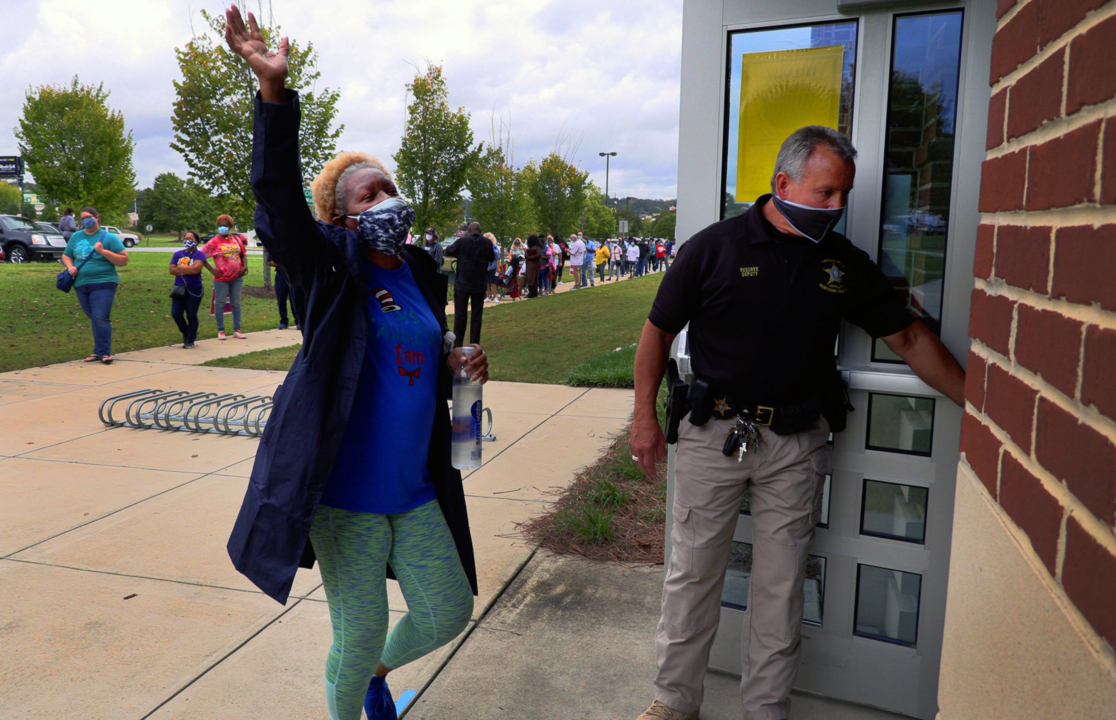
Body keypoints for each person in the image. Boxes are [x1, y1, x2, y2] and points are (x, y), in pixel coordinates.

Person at [628, 126, 966, 720]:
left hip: (796, 445)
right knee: (692, 579)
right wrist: (644, 419)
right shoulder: (714, 249)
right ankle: (674, 704)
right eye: (826, 193)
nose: (837, 208)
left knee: (781, 592)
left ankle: (765, 710)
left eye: (844, 195)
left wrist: (984, 404)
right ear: (783, 184)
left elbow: (910, 337)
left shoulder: (842, 264)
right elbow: (656, 332)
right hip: (714, 435)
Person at [222, 8, 485, 720]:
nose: (388, 201)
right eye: (370, 194)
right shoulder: (327, 271)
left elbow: (426, 359)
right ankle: (355, 700)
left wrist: (461, 366)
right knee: (359, 622)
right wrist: (274, 95)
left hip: (418, 485)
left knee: (446, 609)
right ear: (340, 218)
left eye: (389, 188)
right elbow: (276, 204)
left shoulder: (423, 271)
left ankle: (369, 675)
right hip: (346, 495)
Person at [61, 206, 128, 364]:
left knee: (100, 317)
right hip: (81, 284)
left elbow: (123, 260)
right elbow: (66, 255)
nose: (86, 220)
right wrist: (70, 267)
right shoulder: (76, 236)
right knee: (95, 318)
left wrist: (103, 251)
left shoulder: (108, 238)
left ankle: (105, 353)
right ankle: (98, 351)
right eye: (83, 218)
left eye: (89, 217)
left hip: (104, 282)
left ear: (97, 218)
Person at [445, 221, 496, 347]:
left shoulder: (462, 241)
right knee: (476, 316)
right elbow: (491, 258)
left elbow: (447, 251)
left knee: (460, 315)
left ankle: (458, 344)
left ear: (469, 230)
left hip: (463, 283)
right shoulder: (487, 242)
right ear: (480, 231)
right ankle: (474, 344)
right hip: (479, 284)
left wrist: (464, 238)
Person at [201, 214, 249, 340]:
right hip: (221, 279)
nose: (223, 228)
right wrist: (211, 269)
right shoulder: (214, 242)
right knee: (220, 303)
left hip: (237, 278)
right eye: (221, 225)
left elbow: (243, 254)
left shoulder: (236, 239)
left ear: (230, 227)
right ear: (218, 226)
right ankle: (221, 330)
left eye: (226, 226)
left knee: (236, 303)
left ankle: (237, 329)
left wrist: (244, 267)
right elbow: (201, 256)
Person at [170, 231, 206, 348]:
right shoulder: (177, 254)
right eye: (186, 238)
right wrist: (187, 269)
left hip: (194, 289)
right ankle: (186, 332)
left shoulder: (199, 255)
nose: (188, 240)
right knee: (176, 314)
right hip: (179, 288)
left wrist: (180, 267)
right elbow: (171, 270)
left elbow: (195, 270)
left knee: (191, 315)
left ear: (196, 241)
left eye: (191, 238)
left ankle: (190, 340)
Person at [267, 251, 300, 329]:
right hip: (281, 274)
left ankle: (298, 321)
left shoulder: (292, 245)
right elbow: (270, 262)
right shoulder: (275, 246)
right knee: (281, 298)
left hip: (293, 275)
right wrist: (284, 264)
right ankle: (283, 321)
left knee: (295, 299)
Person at [483, 232, 501, 303]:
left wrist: (498, 267)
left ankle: (495, 297)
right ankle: (488, 297)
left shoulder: (494, 247)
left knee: (493, 283)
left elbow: (498, 257)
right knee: (487, 283)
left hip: (493, 267)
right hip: (485, 267)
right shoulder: (483, 247)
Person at [524, 235, 543, 299]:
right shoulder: (534, 247)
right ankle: (532, 292)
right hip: (531, 265)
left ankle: (533, 293)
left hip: (534, 266)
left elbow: (538, 254)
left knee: (533, 279)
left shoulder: (537, 247)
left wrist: (528, 257)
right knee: (531, 278)